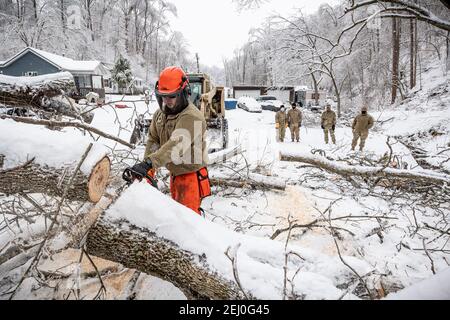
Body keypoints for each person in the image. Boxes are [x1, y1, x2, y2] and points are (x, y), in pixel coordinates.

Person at [126, 66, 211, 215]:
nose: (167, 100)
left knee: (188, 220)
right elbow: (153, 140)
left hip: (190, 176)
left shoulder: (192, 116)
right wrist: (148, 170)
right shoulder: (160, 114)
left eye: (172, 96)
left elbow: (175, 146)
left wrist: (149, 163)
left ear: (183, 93)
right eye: (163, 96)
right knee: (176, 217)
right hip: (175, 174)